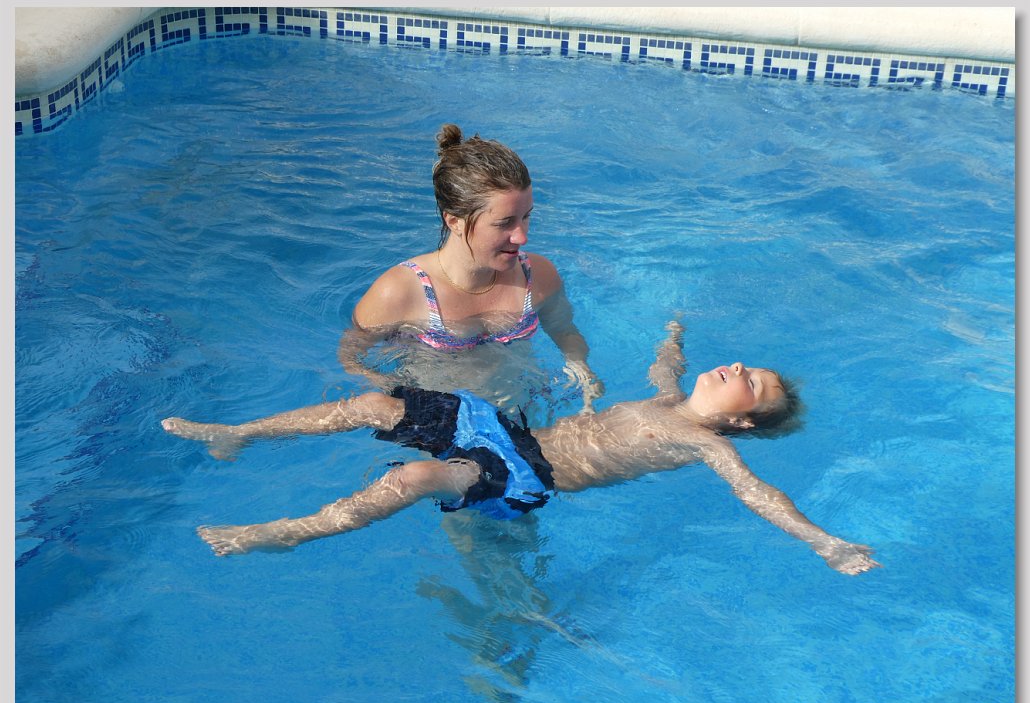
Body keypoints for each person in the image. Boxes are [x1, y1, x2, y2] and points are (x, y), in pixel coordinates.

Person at [162, 321, 881, 576]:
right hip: (505, 432)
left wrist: (824, 542)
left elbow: (756, 493)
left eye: (751, 383)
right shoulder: (669, 400)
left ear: (743, 424)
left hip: (525, 474)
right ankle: (238, 433)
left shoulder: (702, 443)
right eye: (747, 363)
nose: (740, 367)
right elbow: (665, 369)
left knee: (413, 477)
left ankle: (285, 533)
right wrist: (674, 335)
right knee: (373, 405)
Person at [337, 123, 604, 412]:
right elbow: (351, 360)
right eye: (504, 223)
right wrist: (397, 401)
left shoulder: (538, 276)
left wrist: (581, 370)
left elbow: (564, 331)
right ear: (454, 221)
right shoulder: (399, 291)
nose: (522, 236)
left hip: (522, 408)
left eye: (526, 217)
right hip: (437, 421)